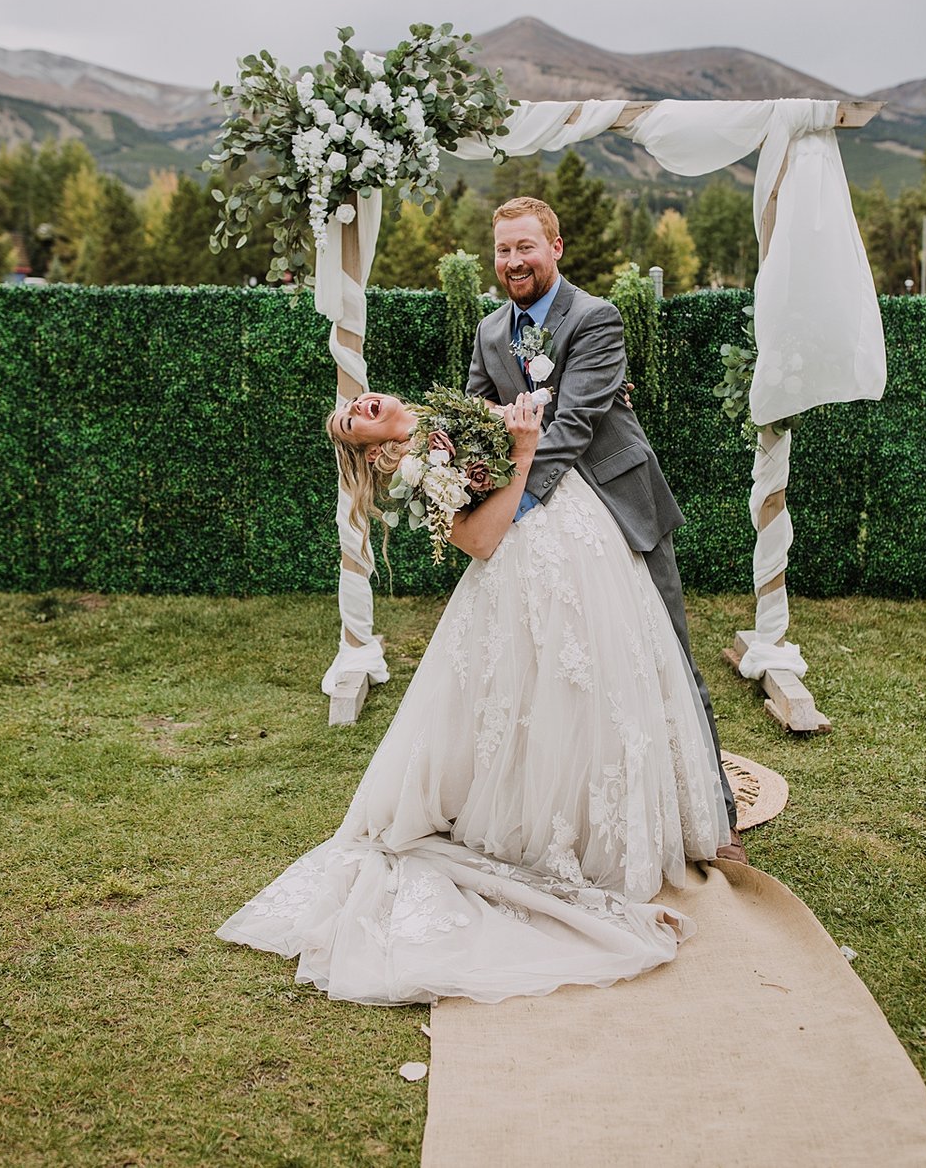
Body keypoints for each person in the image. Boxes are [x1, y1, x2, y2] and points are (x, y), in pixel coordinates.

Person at [216, 389, 730, 1006]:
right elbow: (481, 541)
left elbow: (539, 415)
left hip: (590, 546)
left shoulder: (450, 412)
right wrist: (521, 452)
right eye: (353, 420)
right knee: (541, 703)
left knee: (604, 696)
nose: (361, 404)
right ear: (373, 450)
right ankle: (551, 830)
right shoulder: (414, 465)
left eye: (357, 402)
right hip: (527, 573)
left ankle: (608, 815)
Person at [467, 197, 745, 860]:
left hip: (618, 504)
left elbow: (575, 425)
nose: (513, 262)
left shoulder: (596, 318)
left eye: (525, 248)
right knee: (566, 668)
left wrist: (516, 504)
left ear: (556, 248)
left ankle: (718, 815)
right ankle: (583, 810)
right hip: (547, 535)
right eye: (503, 250)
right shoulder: (487, 331)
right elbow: (478, 415)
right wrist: (466, 481)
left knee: (666, 652)